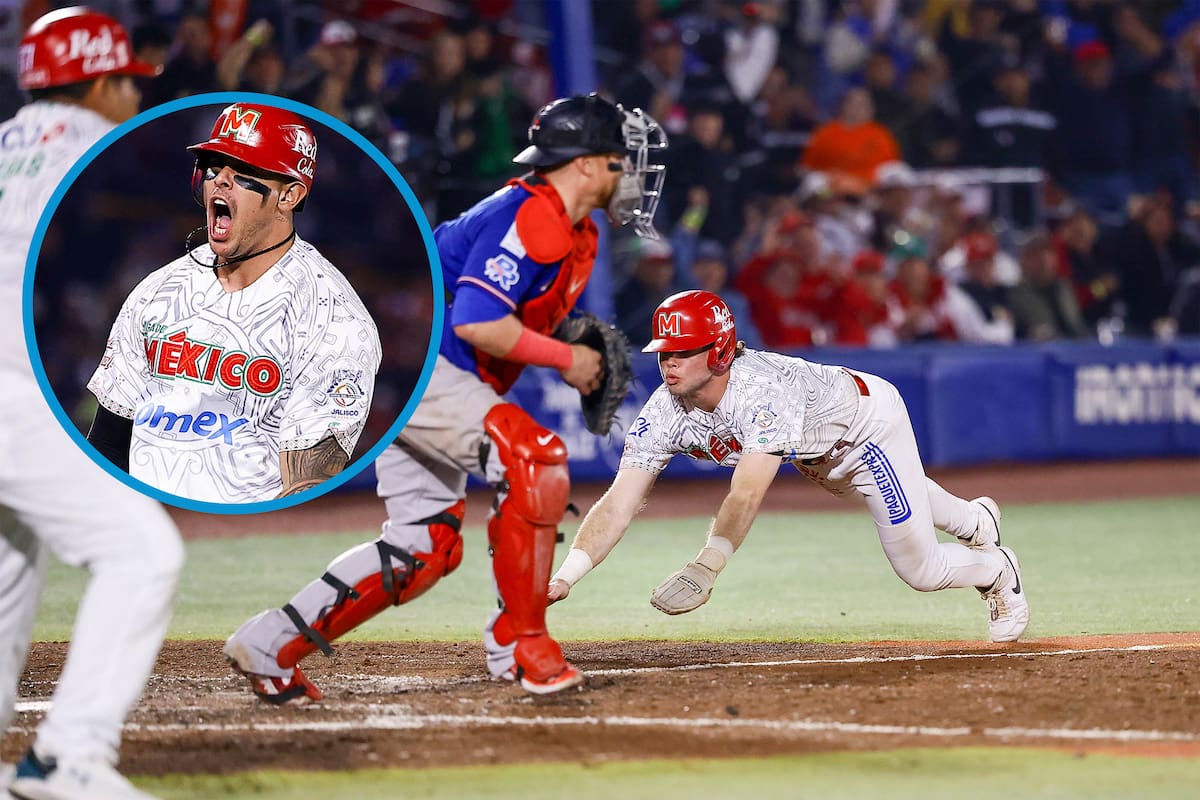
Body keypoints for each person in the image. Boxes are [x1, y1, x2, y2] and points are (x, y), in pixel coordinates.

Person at [224, 93, 668, 700]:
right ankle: (521, 642)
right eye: (620, 159)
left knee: (423, 547)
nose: (630, 173)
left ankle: (269, 643)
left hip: (418, 368)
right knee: (532, 458)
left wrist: (562, 348)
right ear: (585, 164)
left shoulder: (575, 228)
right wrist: (569, 356)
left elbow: (501, 316)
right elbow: (478, 325)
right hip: (416, 364)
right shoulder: (535, 217)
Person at [546, 290, 1028, 646]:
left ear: (717, 350)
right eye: (664, 352)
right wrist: (566, 576)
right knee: (891, 493)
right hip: (816, 454)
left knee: (920, 569)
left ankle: (995, 570)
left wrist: (708, 563)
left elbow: (747, 492)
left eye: (681, 351)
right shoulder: (665, 409)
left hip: (864, 431)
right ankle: (976, 521)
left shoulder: (760, 394)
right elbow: (620, 502)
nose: (667, 362)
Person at [0, 8, 184, 800]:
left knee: (10, 565)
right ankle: (68, 755)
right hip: (9, 389)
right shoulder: (96, 148)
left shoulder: (7, 142)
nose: (135, 100)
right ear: (103, 83)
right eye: (127, 85)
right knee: (143, 554)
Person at [85, 102, 382, 502]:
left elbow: (307, 487)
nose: (220, 182)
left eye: (242, 173)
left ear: (289, 194)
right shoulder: (159, 290)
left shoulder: (330, 316)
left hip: (240, 529)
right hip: (141, 517)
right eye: (213, 168)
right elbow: (108, 440)